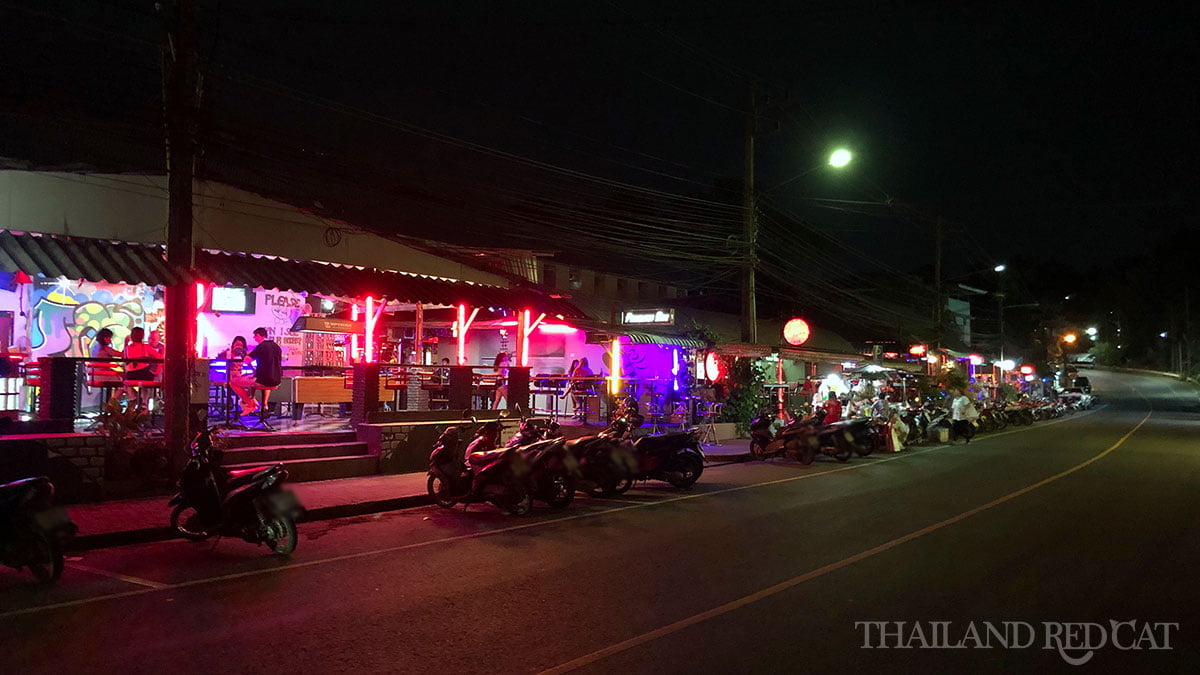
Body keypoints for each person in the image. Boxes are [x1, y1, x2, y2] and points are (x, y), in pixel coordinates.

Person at [230, 328, 282, 414]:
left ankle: (250, 405)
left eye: (255, 336)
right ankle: (255, 402)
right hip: (276, 380)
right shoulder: (276, 346)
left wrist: (245, 353)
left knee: (233, 382)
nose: (254, 338)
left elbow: (247, 360)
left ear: (258, 335)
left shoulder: (261, 347)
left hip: (263, 380)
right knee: (251, 378)